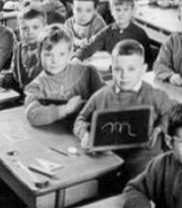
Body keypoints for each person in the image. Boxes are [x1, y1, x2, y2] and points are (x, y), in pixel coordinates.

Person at [74, 39, 174, 183]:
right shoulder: (101, 96)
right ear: (111, 69)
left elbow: (171, 115)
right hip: (109, 156)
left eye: (131, 69)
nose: (124, 75)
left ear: (144, 69)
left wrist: (159, 129)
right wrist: (85, 134)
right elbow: (81, 119)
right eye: (118, 69)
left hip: (143, 158)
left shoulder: (155, 95)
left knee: (142, 180)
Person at [23, 25, 104, 126]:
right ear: (38, 55)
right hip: (55, 135)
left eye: (61, 54)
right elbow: (32, 115)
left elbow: (107, 98)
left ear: (70, 54)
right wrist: (65, 110)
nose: (55, 61)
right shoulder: (35, 87)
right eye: (48, 54)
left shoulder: (88, 72)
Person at [75, 0, 153, 64]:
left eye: (125, 10)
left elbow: (147, 61)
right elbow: (89, 47)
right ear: (112, 11)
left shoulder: (139, 34)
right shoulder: (107, 32)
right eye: (118, 10)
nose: (121, 14)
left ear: (132, 11)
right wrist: (77, 57)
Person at [0, 7, 45, 91]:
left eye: (35, 27)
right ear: (18, 30)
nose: (30, 32)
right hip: (23, 94)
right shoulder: (19, 48)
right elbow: (16, 75)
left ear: (45, 29)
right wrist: (5, 77)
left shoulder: (48, 51)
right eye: (24, 28)